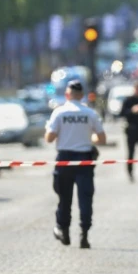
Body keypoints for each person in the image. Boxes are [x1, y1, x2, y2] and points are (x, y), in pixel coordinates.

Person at [45, 80, 106, 249]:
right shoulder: (90, 113)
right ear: (81, 95)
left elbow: (49, 138)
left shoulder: (59, 113)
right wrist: (88, 138)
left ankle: (63, 230)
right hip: (85, 159)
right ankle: (84, 234)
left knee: (64, 197)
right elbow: (102, 139)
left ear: (67, 95)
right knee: (85, 198)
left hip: (64, 159)